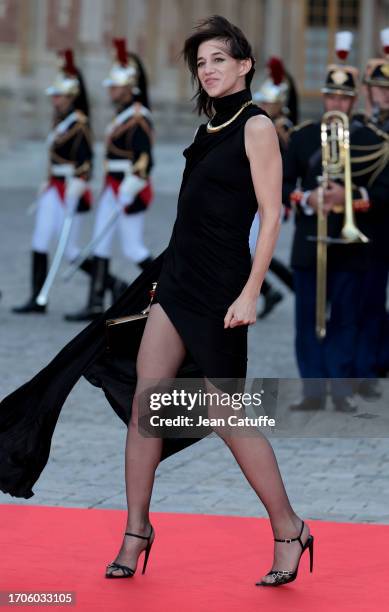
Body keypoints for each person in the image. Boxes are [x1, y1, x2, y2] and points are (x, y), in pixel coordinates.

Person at [0, 16, 314, 588]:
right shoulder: (207, 130)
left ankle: (289, 527)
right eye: (200, 63)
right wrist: (159, 280)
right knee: (149, 397)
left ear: (245, 64)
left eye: (219, 59)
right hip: (175, 278)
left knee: (225, 412)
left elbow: (271, 216)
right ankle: (137, 529)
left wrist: (249, 293)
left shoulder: (257, 127)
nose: (208, 70)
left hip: (221, 285)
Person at [283, 31, 375, 413]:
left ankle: (340, 390)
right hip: (310, 239)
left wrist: (348, 198)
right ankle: (312, 390)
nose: (337, 102)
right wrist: (309, 198)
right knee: (308, 318)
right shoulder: (303, 138)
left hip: (349, 240)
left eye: (344, 97)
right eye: (331, 96)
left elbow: (381, 189)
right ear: (323, 98)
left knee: (345, 318)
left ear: (354, 100)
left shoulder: (369, 139)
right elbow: (284, 184)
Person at [64, 40, 154, 322]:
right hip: (111, 187)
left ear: (130, 87)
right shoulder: (123, 116)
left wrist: (130, 188)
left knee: (133, 248)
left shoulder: (139, 118)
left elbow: (144, 160)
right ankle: (94, 302)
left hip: (127, 188)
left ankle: (167, 292)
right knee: (100, 244)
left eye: (115, 86)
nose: (110, 90)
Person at [12, 49, 93, 314]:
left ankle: (108, 284)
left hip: (70, 189)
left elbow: (86, 162)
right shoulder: (59, 122)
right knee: (40, 240)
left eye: (59, 96)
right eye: (54, 95)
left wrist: (78, 184)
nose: (54, 100)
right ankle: (37, 298)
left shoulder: (79, 125)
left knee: (70, 250)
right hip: (53, 187)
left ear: (71, 97)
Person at [352, 30, 389, 388]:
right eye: (378, 89)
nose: (384, 95)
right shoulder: (363, 128)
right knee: (370, 299)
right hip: (376, 229)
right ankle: (373, 363)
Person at [251, 56, 295, 318]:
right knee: (251, 249)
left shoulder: (284, 130)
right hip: (256, 194)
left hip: (271, 195)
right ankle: (271, 290)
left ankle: (274, 289)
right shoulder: (265, 125)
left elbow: (286, 167)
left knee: (254, 249)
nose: (263, 105)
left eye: (268, 102)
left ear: (279, 104)